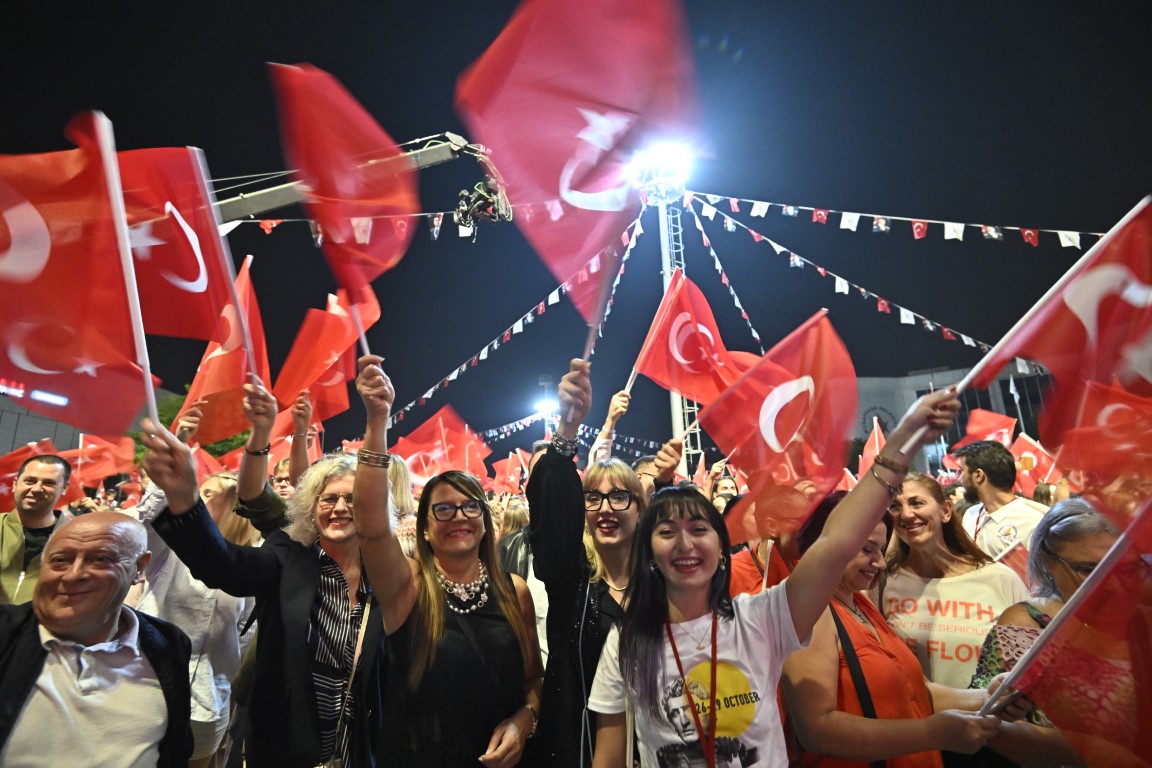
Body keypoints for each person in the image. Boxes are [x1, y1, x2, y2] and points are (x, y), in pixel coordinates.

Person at [588, 389, 963, 768]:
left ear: (721, 548)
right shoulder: (626, 641)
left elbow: (835, 542)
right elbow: (608, 758)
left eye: (699, 529)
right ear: (649, 552)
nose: (685, 544)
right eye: (667, 532)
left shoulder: (760, 618)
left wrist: (904, 437)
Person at [140, 412, 386, 768]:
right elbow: (224, 565)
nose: (339, 508)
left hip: (358, 747)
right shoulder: (288, 554)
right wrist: (184, 497)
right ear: (311, 508)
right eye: (328, 499)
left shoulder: (387, 572)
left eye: (352, 499)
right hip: (283, 746)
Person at [353, 356, 543, 768]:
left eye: (470, 506)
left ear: (485, 521)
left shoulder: (515, 590)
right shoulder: (408, 586)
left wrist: (524, 720)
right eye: (443, 509)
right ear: (423, 529)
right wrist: (377, 421)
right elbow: (370, 530)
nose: (459, 516)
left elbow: (533, 680)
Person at [783, 494, 1028, 768]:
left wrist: (990, 697)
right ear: (825, 544)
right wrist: (931, 733)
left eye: (881, 549)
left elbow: (917, 692)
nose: (880, 562)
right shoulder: (812, 612)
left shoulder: (860, 602)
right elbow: (816, 729)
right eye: (867, 549)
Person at [525, 360, 679, 768]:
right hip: (582, 749)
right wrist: (568, 428)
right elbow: (551, 511)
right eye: (593, 498)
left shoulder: (663, 583)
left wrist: (667, 485)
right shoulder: (571, 577)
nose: (606, 509)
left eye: (619, 497)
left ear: (640, 508)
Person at [0, 511, 193, 766]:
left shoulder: (168, 644)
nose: (73, 575)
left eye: (101, 559)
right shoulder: (6, 633)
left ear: (139, 568)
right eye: (60, 560)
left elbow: (176, 750)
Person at [967, 498, 1121, 766]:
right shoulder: (1026, 624)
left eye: (1117, 567)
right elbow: (989, 725)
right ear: (1048, 562)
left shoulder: (1133, 619)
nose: (1107, 581)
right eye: (1087, 569)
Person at [135, 458, 259, 768]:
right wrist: (166, 477)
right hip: (147, 685)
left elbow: (245, 635)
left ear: (235, 508)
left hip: (209, 699)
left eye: (209, 494)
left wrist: (232, 693)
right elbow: (147, 523)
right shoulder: (171, 548)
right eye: (201, 491)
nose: (199, 500)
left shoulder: (254, 563)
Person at [878, 473, 1029, 689]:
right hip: (918, 711)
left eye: (917, 503)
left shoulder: (1001, 579)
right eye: (895, 506)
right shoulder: (883, 583)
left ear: (946, 510)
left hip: (989, 710)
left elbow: (1030, 661)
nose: (907, 514)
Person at [954, 441, 1047, 558]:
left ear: (978, 475)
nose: (959, 478)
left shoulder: (1033, 522)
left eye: (962, 471)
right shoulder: (970, 514)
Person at [1, 455, 72, 604]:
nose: (36, 489)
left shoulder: (78, 539)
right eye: (30, 481)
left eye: (49, 483)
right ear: (15, 484)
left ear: (64, 488)